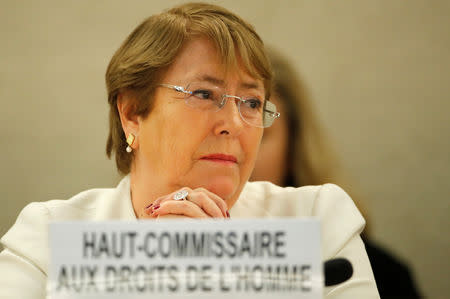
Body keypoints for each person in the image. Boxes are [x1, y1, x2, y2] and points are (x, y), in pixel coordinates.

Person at [0, 3, 379, 298]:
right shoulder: (50, 238)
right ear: (132, 113)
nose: (233, 121)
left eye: (250, 102)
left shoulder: (317, 221)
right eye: (203, 94)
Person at [251, 47, 422, 298]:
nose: (235, 150)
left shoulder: (376, 272)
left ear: (293, 149)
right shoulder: (180, 249)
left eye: (259, 132)